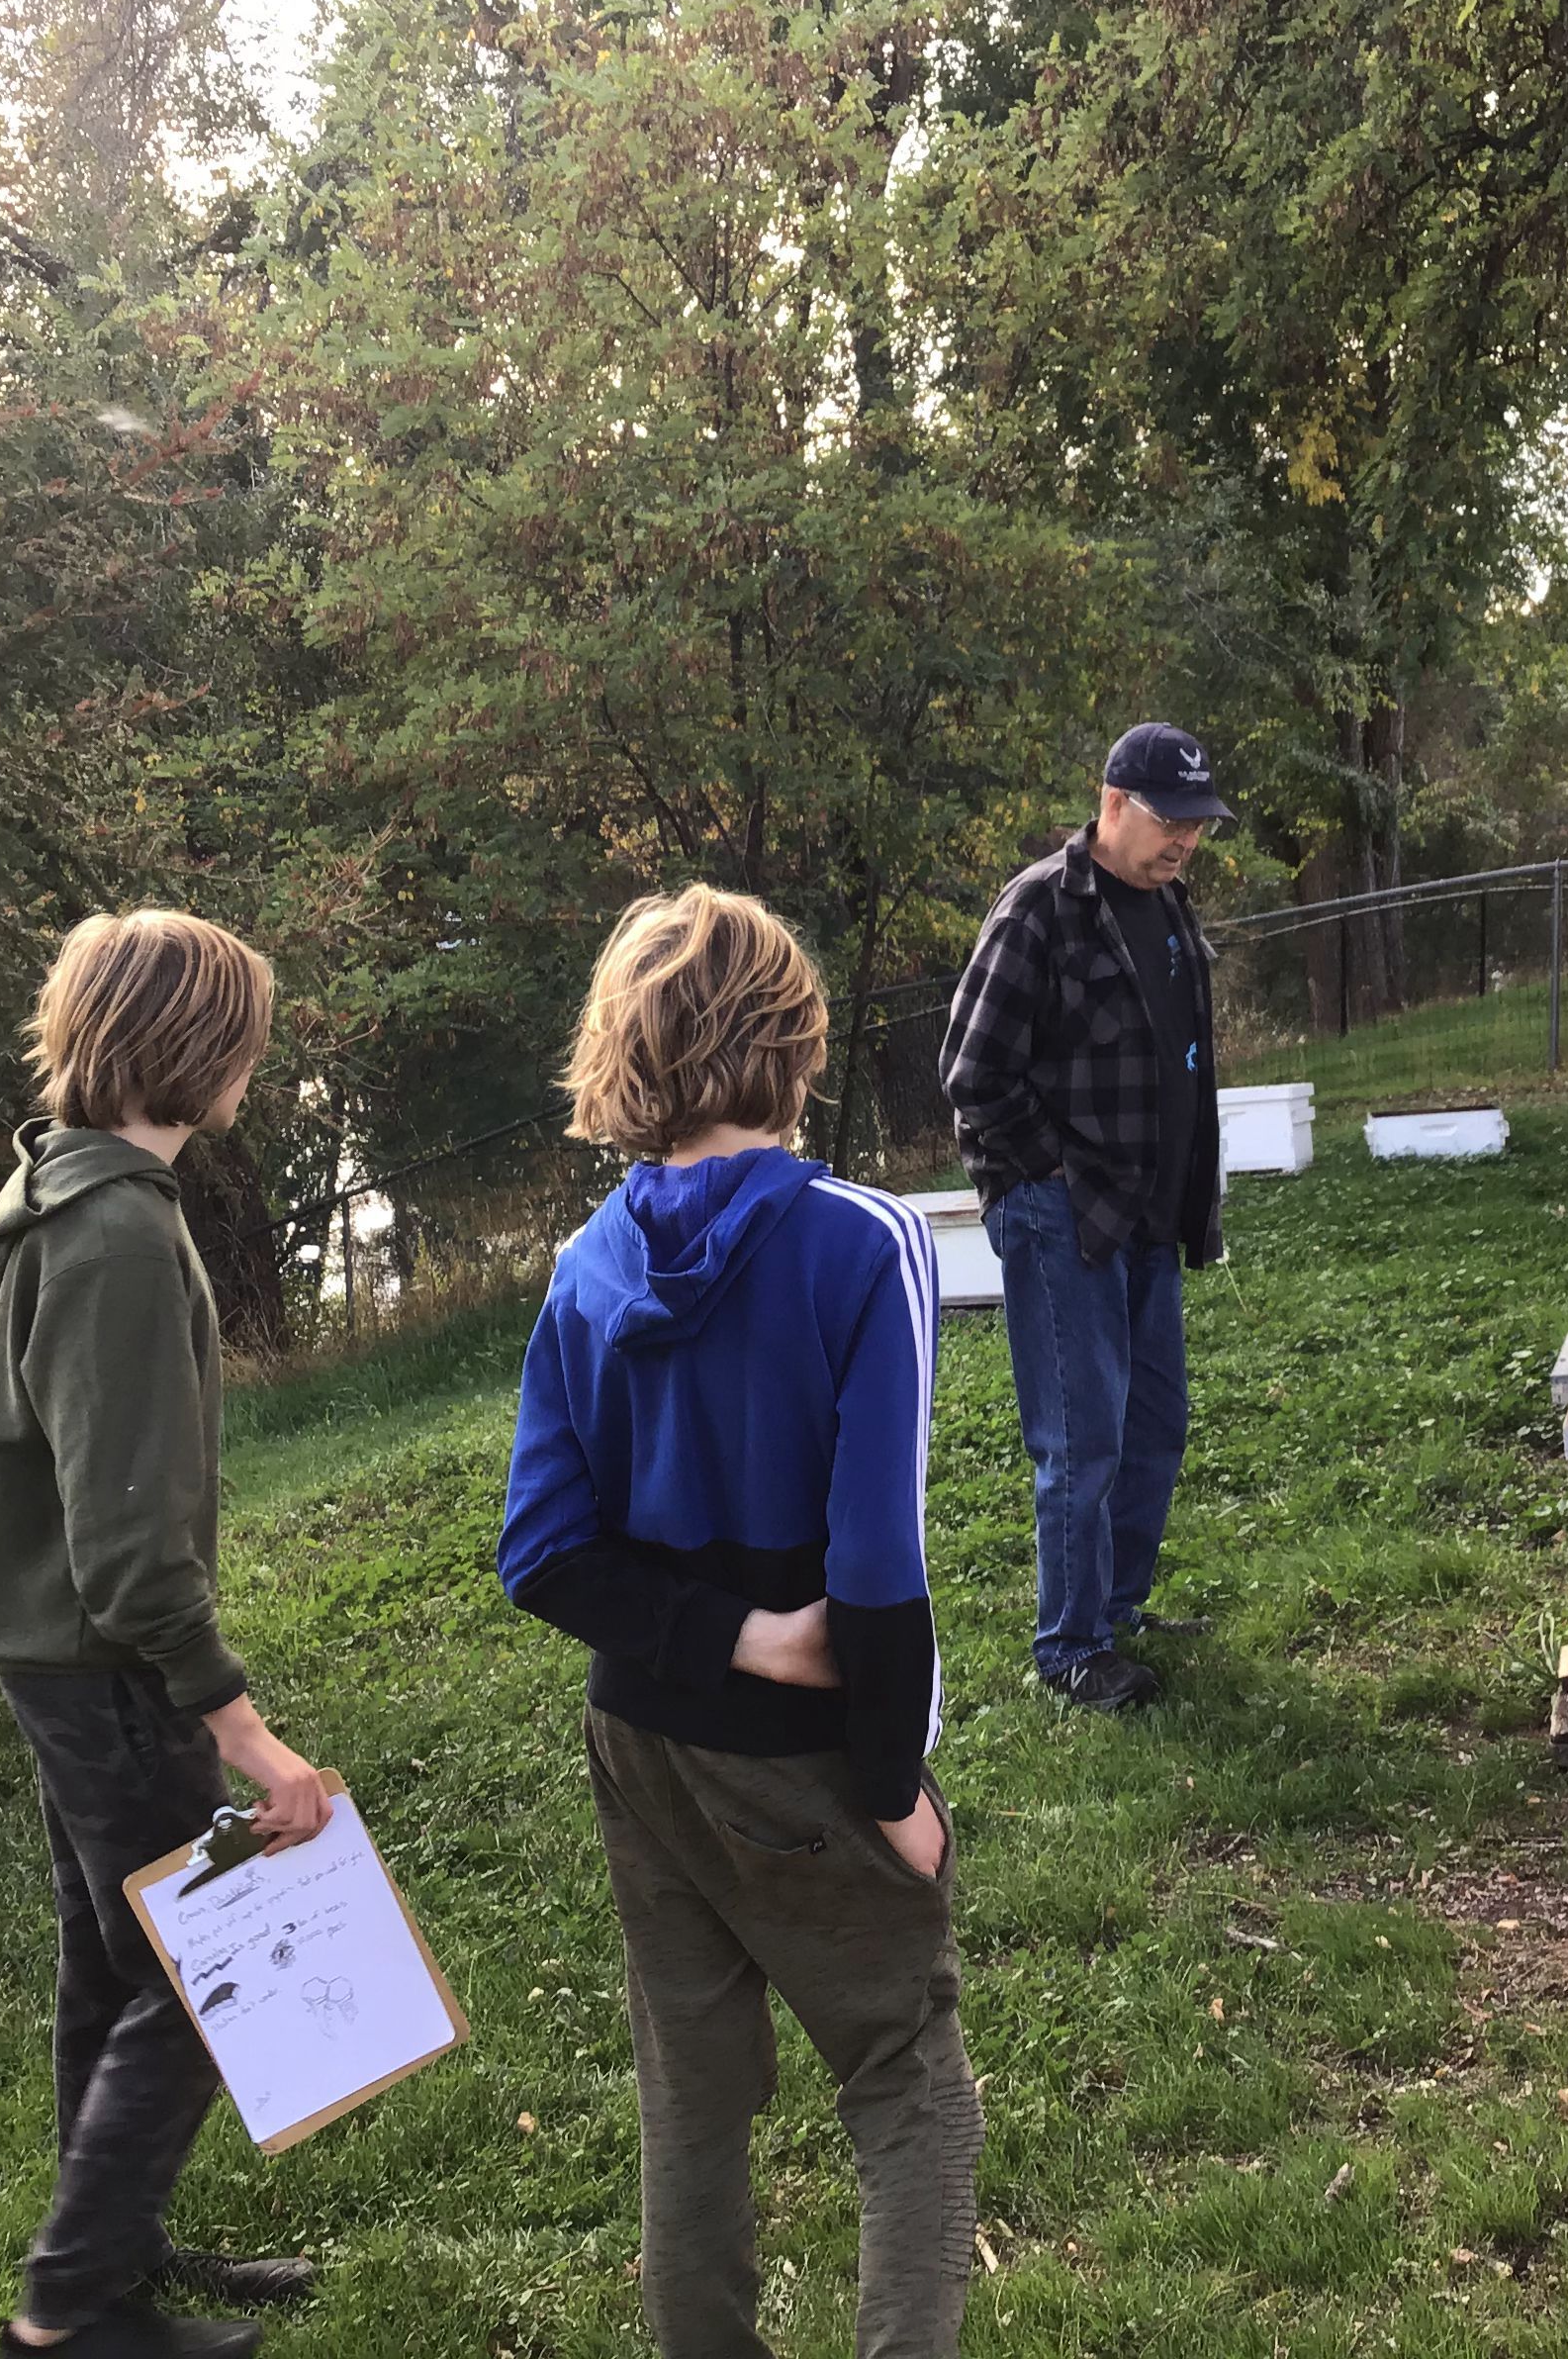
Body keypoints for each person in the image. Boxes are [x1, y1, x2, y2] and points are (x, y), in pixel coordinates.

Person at [499, 885, 978, 2359]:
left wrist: (713, 1637)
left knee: (692, 2091)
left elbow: (543, 1556)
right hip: (798, 1756)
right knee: (907, 2076)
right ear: (793, 1039)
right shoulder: (866, 1242)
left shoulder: (585, 1270)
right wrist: (894, 1792)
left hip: (638, 1738)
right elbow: (878, 1574)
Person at [0, 909, 332, 2359]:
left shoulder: (89, 1192)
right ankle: (64, 2318)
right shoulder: (115, 1230)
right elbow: (126, 1546)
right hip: (106, 1661)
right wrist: (234, 1722)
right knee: (196, 1974)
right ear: (186, 1048)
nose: (252, 1062)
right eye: (238, 1035)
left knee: (113, 1966)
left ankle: (116, 2252)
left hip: (59, 1653)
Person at [940, 722, 1226, 1712]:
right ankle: (1068, 1646)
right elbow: (971, 1072)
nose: (1184, 841)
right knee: (1082, 1438)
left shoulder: (1170, 909)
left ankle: (1116, 1610)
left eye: (1197, 825)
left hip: (1149, 1213)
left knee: (1155, 1425)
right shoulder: (1039, 910)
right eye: (1169, 821)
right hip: (1064, 1217)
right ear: (1112, 804)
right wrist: (1050, 1177)